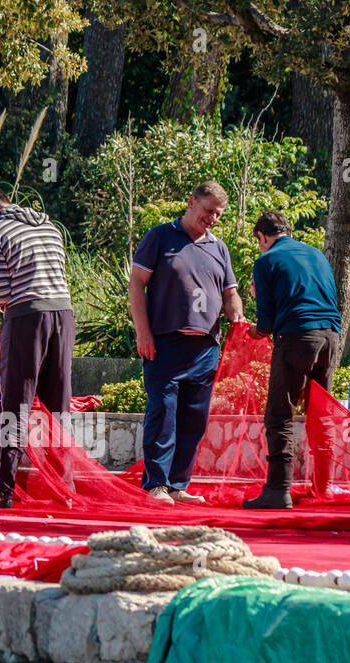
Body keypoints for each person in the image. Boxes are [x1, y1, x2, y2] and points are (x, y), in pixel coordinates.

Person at [129, 181, 245, 504]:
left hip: (205, 349)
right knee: (163, 414)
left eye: (218, 214)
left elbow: (230, 294)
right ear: (192, 202)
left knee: (194, 419)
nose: (213, 218)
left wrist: (238, 318)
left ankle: (178, 485)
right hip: (164, 344)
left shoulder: (219, 248)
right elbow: (137, 285)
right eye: (208, 211)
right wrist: (143, 332)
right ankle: (156, 484)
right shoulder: (159, 237)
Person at [0, 186, 74, 508]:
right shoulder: (48, 226)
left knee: (11, 404)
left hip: (28, 319)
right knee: (58, 408)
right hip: (64, 315)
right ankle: (63, 488)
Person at [243, 210, 342, 510]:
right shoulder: (316, 254)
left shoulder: (265, 261)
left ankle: (277, 489)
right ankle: (324, 486)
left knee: (280, 414)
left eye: (259, 242)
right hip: (330, 337)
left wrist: (253, 328)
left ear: (262, 237)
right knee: (320, 412)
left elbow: (267, 324)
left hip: (297, 338)